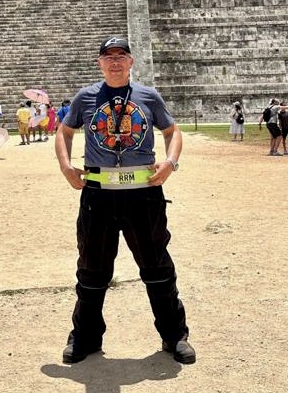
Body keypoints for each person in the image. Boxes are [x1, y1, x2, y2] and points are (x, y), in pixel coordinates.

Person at [54, 36, 195, 365]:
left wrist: (170, 163)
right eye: (108, 57)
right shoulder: (86, 97)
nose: (115, 62)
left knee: (157, 265)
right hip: (98, 194)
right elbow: (64, 131)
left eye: (121, 56)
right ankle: (85, 336)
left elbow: (172, 131)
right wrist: (65, 165)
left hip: (143, 194)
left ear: (132, 62)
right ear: (99, 62)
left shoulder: (148, 96)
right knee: (91, 268)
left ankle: (174, 335)